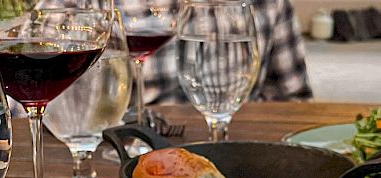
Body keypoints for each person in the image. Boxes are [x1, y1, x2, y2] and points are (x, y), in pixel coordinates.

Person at [120, 0, 313, 105]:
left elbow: (292, 99)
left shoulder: (269, 4)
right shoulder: (117, 6)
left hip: (239, 145)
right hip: (147, 148)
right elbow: (96, 113)